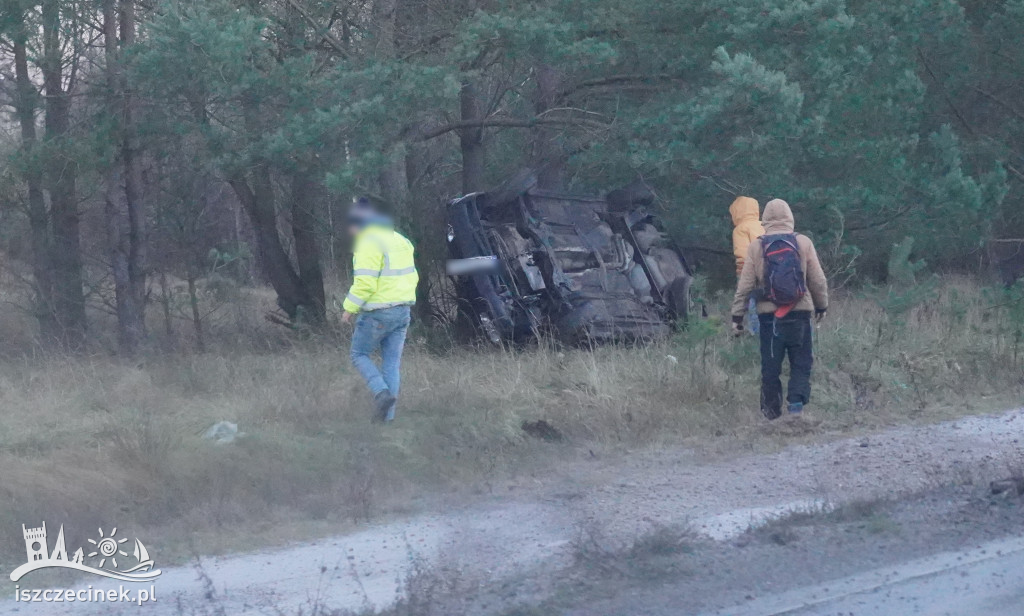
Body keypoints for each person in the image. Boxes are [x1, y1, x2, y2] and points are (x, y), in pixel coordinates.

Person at [731, 199, 828, 420]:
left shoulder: (757, 246)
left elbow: (744, 286)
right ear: (790, 217)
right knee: (801, 361)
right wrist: (821, 305)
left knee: (770, 366)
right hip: (800, 312)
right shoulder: (803, 242)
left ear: (765, 219)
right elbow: (818, 280)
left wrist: (737, 316)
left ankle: (771, 415)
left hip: (768, 317)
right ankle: (796, 407)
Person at [342, 198, 419, 422]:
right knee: (391, 364)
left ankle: (381, 393)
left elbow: (365, 283)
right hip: (403, 310)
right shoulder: (401, 240)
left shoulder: (368, 243)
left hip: (377, 312)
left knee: (358, 354)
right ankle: (388, 420)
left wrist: (348, 309)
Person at [730, 196, 765, 334]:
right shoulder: (764, 225)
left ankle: (756, 337)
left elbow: (743, 255)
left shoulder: (740, 229)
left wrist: (742, 275)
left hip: (751, 273)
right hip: (769, 273)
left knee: (753, 306)